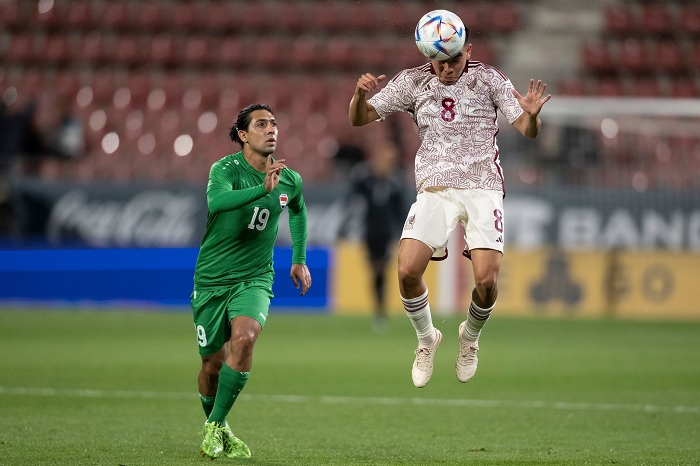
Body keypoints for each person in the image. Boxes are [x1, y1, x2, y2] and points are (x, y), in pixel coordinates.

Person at [349, 11, 551, 388]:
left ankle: (470, 338)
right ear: (429, 58)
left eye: (455, 59)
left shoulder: (489, 78)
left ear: (468, 50)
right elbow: (360, 119)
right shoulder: (412, 82)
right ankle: (427, 339)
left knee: (487, 281)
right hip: (435, 188)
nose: (447, 69)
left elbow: (526, 129)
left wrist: (534, 117)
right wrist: (359, 96)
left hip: (483, 186)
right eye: (440, 62)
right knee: (407, 271)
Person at [191, 103, 312, 459]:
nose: (271, 129)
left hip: (255, 278)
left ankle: (213, 426)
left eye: (274, 123)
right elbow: (216, 202)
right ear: (243, 135)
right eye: (261, 124)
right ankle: (221, 427)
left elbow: (299, 210)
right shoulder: (225, 169)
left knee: (245, 338)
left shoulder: (289, 178)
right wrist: (261, 189)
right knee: (211, 365)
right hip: (212, 280)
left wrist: (299, 259)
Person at [344, 141, 408, 331]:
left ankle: (381, 310)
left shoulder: (395, 183)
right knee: (375, 269)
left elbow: (400, 211)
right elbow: (353, 197)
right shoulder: (366, 177)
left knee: (382, 269)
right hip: (369, 230)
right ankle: (379, 309)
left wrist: (402, 233)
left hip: (386, 232)